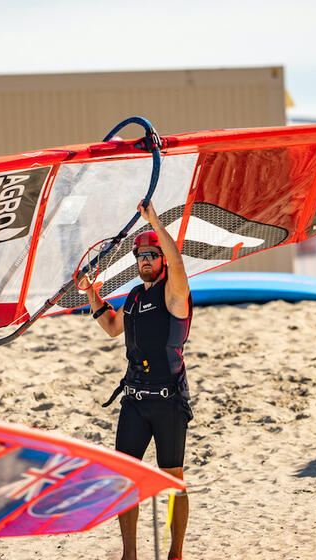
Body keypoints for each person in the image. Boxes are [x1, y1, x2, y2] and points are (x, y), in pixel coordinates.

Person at [80, 200, 192, 560]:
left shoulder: (174, 293)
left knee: (173, 479)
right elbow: (113, 327)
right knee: (123, 477)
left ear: (161, 260)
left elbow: (178, 263)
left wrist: (154, 221)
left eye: (152, 255)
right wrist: (90, 292)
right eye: (141, 256)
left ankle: (175, 554)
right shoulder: (133, 296)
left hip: (168, 401)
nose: (146, 260)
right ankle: (129, 554)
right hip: (134, 401)